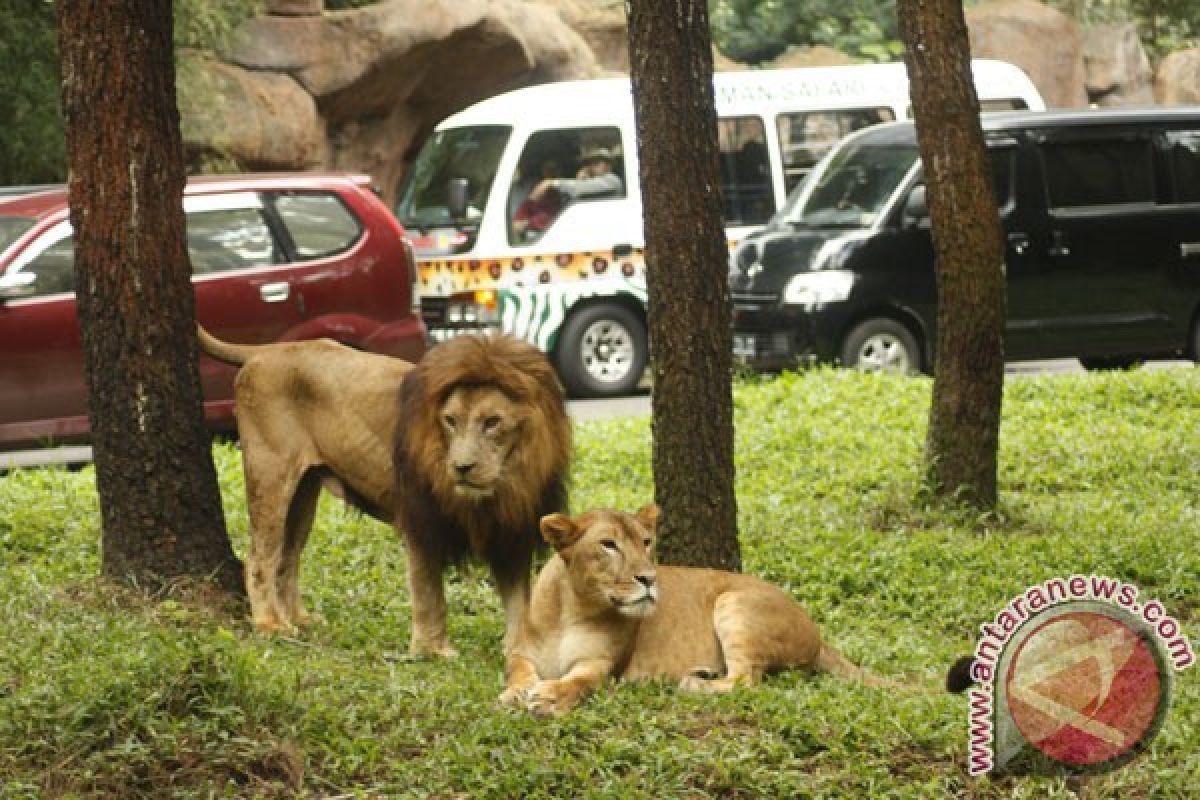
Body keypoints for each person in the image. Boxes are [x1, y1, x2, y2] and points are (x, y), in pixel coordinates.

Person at [527, 146, 623, 208]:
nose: (593, 165)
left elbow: (579, 188)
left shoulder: (612, 180)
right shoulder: (590, 180)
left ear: (609, 165)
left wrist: (550, 182)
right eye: (590, 163)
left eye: (598, 162)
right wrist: (581, 180)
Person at [512, 158, 564, 240]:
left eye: (554, 169)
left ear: (560, 171)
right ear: (542, 171)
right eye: (548, 169)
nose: (550, 172)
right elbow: (527, 207)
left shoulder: (567, 190)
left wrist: (528, 223)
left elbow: (552, 217)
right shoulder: (538, 188)